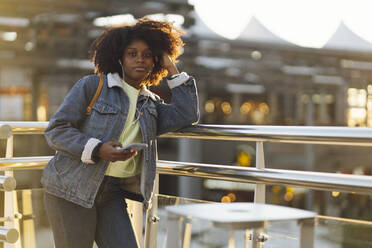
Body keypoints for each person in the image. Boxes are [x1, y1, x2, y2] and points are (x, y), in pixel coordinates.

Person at [41, 17, 199, 248]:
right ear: (120, 58)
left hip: (111, 193)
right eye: (132, 53)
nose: (140, 60)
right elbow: (56, 131)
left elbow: (187, 114)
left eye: (147, 54)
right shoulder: (92, 86)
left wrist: (170, 65)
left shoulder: (150, 104)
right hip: (69, 189)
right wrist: (98, 149)